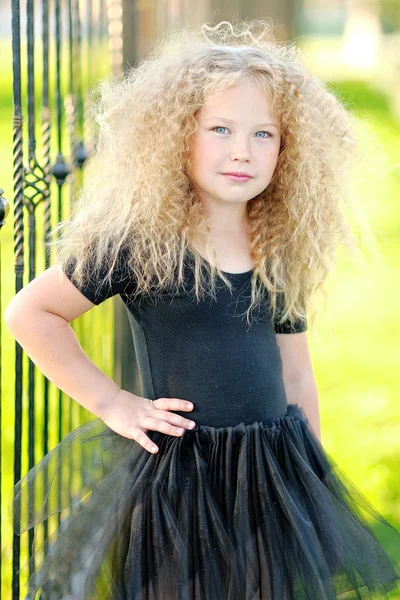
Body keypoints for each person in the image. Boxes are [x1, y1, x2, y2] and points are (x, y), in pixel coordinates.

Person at [5, 17, 400, 600]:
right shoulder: (140, 243)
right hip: (182, 480)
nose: (242, 151)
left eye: (265, 135)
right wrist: (112, 402)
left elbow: (295, 371)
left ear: (288, 149)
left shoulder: (276, 246)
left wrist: (313, 480)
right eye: (220, 129)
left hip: (271, 473)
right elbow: (31, 313)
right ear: (177, 135)